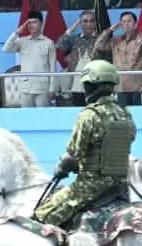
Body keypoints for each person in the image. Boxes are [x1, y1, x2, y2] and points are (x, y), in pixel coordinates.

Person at [33, 60, 136, 227]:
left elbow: (73, 154)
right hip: (122, 185)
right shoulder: (125, 113)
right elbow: (129, 139)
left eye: (87, 85)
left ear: (93, 86)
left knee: (42, 216)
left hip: (91, 186)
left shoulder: (89, 115)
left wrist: (61, 169)